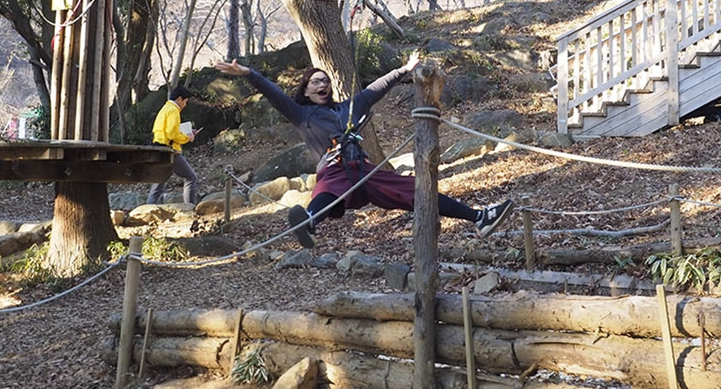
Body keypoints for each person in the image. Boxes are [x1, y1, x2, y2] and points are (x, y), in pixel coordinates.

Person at [213, 52, 514, 248]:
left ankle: (478, 218)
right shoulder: (302, 115)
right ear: (305, 90)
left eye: (325, 82)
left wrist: (404, 70)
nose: (322, 85)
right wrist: (249, 74)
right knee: (328, 188)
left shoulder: (348, 109)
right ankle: (309, 222)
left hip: (366, 172)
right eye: (315, 82)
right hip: (334, 172)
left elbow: (374, 91)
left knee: (418, 188)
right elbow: (274, 93)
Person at [148, 85, 200, 205]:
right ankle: (190, 207)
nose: (185, 105)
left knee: (158, 182)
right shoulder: (174, 110)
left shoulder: (165, 108)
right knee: (191, 178)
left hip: (159, 148)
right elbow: (171, 134)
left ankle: (149, 208)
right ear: (179, 99)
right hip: (169, 151)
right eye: (185, 101)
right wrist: (187, 137)